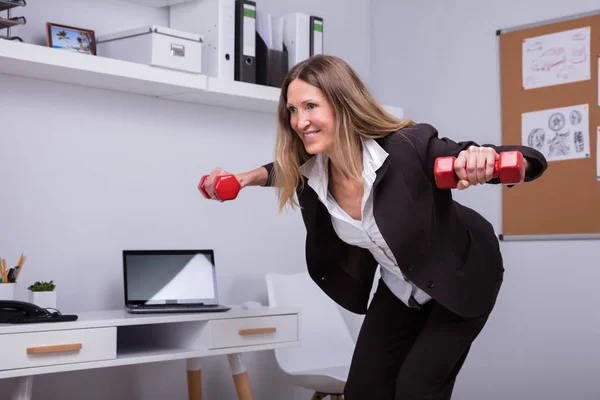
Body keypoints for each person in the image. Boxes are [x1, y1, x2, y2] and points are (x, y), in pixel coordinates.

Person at [201, 54, 547, 399]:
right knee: (363, 390)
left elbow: (528, 161)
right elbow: (283, 169)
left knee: (416, 388)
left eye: (310, 106)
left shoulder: (409, 149)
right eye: (292, 110)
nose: (299, 121)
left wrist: (485, 157)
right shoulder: (314, 171)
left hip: (462, 274)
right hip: (400, 285)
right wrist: (246, 179)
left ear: (343, 104)